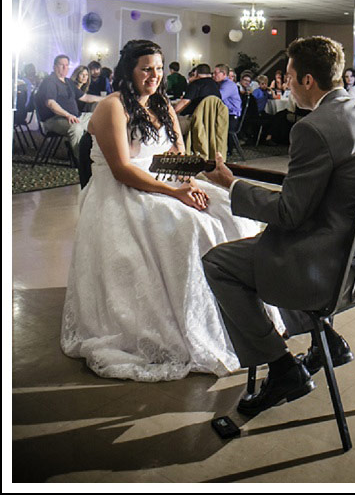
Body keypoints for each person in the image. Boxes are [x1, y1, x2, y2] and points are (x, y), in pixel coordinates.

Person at [202, 36, 355, 416]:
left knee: (220, 262)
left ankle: (282, 368)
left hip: (330, 268)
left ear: (308, 81)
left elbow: (289, 213)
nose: (285, 83)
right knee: (277, 243)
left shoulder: (312, 128)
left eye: (289, 76)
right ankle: (326, 341)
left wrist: (231, 184)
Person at [60, 39, 283, 382]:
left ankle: (244, 319)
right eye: (146, 69)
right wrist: (175, 193)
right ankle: (188, 322)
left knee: (230, 211)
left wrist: (191, 179)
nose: (154, 76)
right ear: (128, 71)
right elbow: (122, 168)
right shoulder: (112, 106)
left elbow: (177, 154)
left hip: (166, 180)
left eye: (159, 68)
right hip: (124, 190)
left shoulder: (162, 103)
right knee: (192, 227)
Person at [35, 55, 94, 157]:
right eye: (61, 65)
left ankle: (99, 155)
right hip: (54, 119)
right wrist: (67, 115)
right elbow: (50, 103)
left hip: (76, 116)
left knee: (101, 118)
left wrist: (108, 98)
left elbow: (85, 97)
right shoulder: (50, 81)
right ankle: (80, 160)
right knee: (76, 127)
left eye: (67, 65)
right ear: (54, 67)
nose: (65, 68)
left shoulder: (68, 82)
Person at [173, 63, 222, 137]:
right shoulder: (216, 85)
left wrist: (171, 113)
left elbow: (184, 103)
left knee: (169, 126)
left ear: (196, 74)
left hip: (195, 119)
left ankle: (179, 148)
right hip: (212, 120)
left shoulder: (196, 84)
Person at [213, 63, 242, 137]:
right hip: (224, 113)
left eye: (216, 73)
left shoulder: (229, 85)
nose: (213, 75)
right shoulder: (219, 84)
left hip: (231, 115)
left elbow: (218, 97)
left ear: (223, 74)